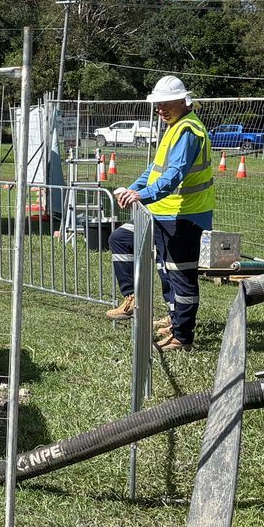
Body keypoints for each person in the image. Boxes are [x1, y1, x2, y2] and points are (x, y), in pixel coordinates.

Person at [105, 75, 214, 351]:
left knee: (180, 274)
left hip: (184, 217)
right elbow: (155, 169)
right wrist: (134, 188)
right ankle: (135, 300)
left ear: (182, 100)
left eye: (165, 103)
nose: (159, 109)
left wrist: (143, 194)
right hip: (161, 214)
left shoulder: (189, 131)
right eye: (157, 104)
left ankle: (182, 336)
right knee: (121, 239)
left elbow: (175, 175)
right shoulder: (174, 127)